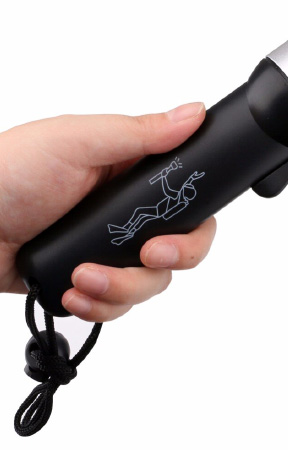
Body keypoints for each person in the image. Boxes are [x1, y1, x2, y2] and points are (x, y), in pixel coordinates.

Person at [0, 102, 216, 322]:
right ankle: (123, 232)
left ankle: (123, 232)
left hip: (159, 211)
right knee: (140, 216)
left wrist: (166, 179)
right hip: (155, 210)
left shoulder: (182, 198)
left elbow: (172, 194)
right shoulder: (183, 194)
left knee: (141, 216)